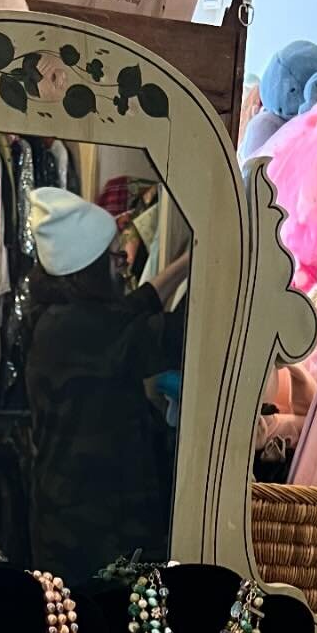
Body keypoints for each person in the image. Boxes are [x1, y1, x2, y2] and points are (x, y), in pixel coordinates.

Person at [23, 185, 190, 581]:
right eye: (116, 258)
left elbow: (130, 310)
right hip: (90, 532)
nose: (124, 266)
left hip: (66, 514)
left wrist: (183, 265)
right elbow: (178, 336)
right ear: (89, 268)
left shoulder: (59, 315)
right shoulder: (82, 329)